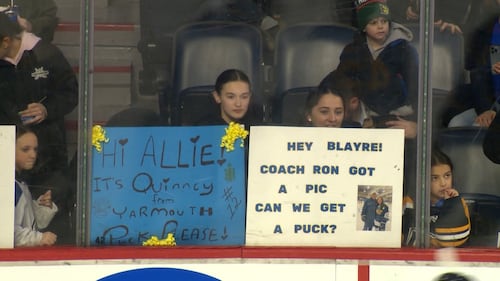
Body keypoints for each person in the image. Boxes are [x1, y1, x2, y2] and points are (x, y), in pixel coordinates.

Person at [0, 11, 78, 239]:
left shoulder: (47, 54)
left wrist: (47, 109)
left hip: (47, 155)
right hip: (8, 159)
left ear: (6, 40)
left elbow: (71, 92)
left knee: (49, 213)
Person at [336, 0, 419, 139]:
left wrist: (417, 122)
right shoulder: (353, 50)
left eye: (384, 21)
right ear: (363, 27)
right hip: (363, 116)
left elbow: (417, 88)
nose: (380, 26)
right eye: (373, 23)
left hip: (398, 116)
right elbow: (341, 81)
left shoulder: (405, 50)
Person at [403, 148, 471, 247]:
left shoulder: (457, 203)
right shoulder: (409, 203)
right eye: (434, 178)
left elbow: (453, 238)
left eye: (447, 176)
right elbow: (402, 238)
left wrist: (452, 203)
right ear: (422, 180)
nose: (443, 183)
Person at [15, 126, 58, 247]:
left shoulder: (20, 184)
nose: (33, 155)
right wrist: (40, 238)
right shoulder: (9, 187)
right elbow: (8, 233)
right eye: (25, 149)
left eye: (35, 149)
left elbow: (30, 223)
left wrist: (41, 208)